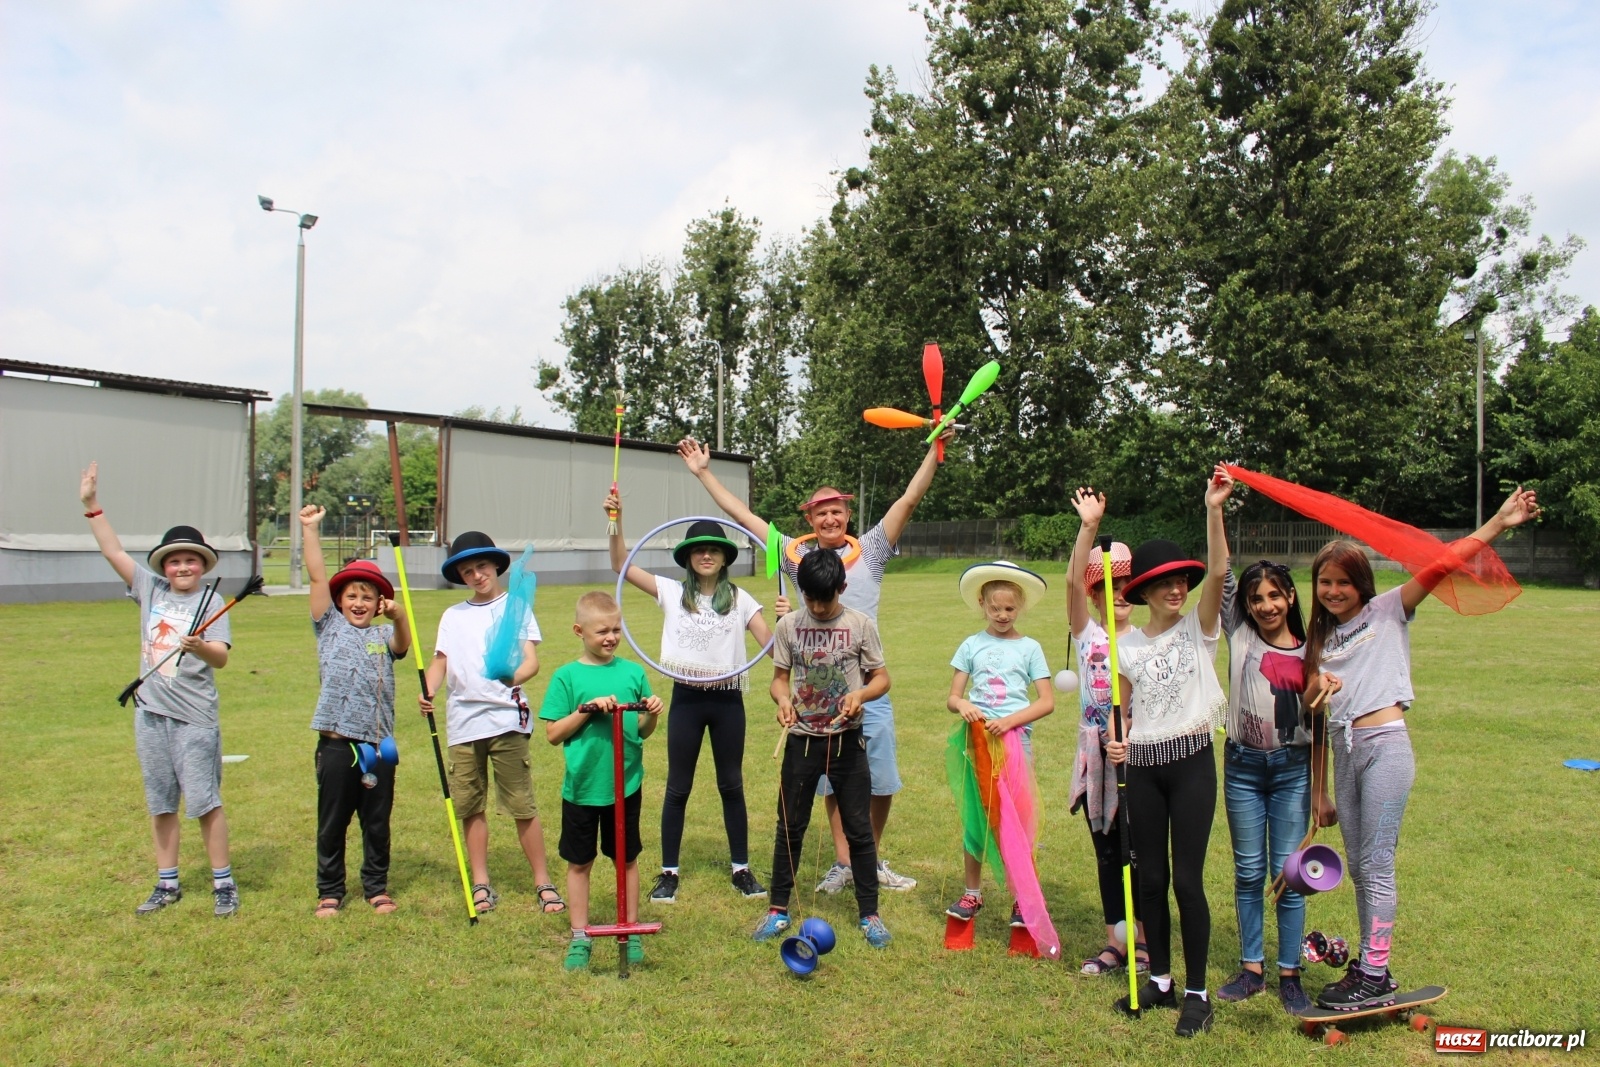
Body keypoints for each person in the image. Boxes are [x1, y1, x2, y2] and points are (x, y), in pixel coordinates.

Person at [678, 433, 951, 894]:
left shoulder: (875, 549)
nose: (829, 517)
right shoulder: (793, 554)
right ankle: (844, 863)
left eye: (837, 510)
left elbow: (909, 497)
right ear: (809, 519)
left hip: (867, 687)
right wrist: (704, 472)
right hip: (813, 693)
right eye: (820, 511)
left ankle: (869, 860)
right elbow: (742, 516)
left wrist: (934, 452)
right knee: (831, 783)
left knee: (880, 781)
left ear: (847, 515)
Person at [1304, 486, 1540, 1010]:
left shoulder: (1390, 609)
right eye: (1325, 582)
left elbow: (1443, 562)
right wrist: (1320, 698)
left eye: (1344, 581)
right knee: (1361, 866)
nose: (1333, 590)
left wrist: (1499, 522)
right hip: (1344, 750)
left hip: (1385, 746)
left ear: (1362, 584)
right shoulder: (1319, 640)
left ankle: (1375, 967)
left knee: (1377, 860)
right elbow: (1312, 712)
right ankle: (1373, 970)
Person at [79, 461, 240, 917]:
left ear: (202, 564)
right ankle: (166, 883)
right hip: (150, 714)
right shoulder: (149, 590)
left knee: (205, 800)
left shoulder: (211, 602)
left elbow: (222, 657)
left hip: (195, 717)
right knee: (161, 801)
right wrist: (92, 506)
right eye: (175, 560)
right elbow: (113, 552)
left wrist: (199, 646)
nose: (183, 566)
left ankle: (222, 882)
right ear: (164, 567)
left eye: (191, 559)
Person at [1106, 464, 1233, 1037]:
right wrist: (1117, 741)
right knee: (1149, 878)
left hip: (1190, 765)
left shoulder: (1198, 629)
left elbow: (1221, 569)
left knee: (1187, 881)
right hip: (1143, 769)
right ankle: (1160, 980)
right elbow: (1123, 711)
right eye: (1165, 583)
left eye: (1181, 581)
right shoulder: (1125, 646)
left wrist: (1213, 508)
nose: (1176, 590)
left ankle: (1199, 993)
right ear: (1144, 592)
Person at [606, 493, 771, 904]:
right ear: (688, 558)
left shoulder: (741, 599)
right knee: (678, 787)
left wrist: (785, 618)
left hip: (728, 699)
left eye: (714, 549)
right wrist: (616, 520)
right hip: (687, 699)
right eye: (699, 550)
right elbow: (619, 564)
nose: (707, 555)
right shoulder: (670, 592)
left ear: (724, 556)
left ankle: (741, 868)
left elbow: (770, 642)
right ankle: (669, 873)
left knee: (731, 784)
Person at [755, 550, 893, 948]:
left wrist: (862, 695)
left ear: (842, 589)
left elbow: (882, 678)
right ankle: (778, 910)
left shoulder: (860, 624)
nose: (816, 607)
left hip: (847, 741)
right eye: (810, 599)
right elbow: (779, 679)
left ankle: (869, 915)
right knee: (789, 827)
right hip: (801, 740)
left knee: (860, 831)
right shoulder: (790, 626)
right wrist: (781, 700)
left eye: (824, 599)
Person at [419, 530, 562, 915]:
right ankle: (481, 882)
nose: (477, 575)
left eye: (482, 566)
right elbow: (440, 661)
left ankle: (543, 881)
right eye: (467, 571)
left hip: (506, 721)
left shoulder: (516, 607)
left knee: (521, 804)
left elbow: (531, 660)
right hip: (463, 725)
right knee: (470, 805)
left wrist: (514, 678)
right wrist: (428, 689)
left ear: (495, 566)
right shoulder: (453, 616)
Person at [1213, 556, 1330, 1013]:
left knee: (1289, 874)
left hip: (1291, 772)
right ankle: (1251, 969)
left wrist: (1320, 791)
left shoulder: (1311, 653)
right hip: (1241, 768)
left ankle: (1290, 974)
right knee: (1247, 872)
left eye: (1274, 596)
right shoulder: (1239, 636)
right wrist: (1215, 506)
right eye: (1256, 598)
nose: (1266, 606)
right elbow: (1221, 572)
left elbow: (1320, 730)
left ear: (1291, 597)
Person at [540, 591, 664, 971]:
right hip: (582, 788)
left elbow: (641, 731)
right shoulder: (566, 676)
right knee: (580, 862)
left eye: (616, 629)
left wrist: (653, 713)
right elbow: (553, 733)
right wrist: (587, 709)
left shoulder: (632, 673)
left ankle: (629, 928)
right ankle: (580, 935)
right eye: (601, 631)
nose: (610, 637)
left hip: (625, 786)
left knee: (625, 858)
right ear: (579, 631)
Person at [300, 505, 411, 917]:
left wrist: (399, 617)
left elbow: (403, 646)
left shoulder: (384, 633)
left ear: (380, 602)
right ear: (339, 601)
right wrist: (311, 530)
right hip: (335, 745)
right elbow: (315, 576)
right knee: (332, 821)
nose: (359, 602)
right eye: (352, 595)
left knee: (377, 821)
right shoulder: (328, 626)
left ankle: (376, 887)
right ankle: (329, 890)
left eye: (368, 596)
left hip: (378, 745)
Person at [943, 561, 1055, 927]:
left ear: (1019, 606)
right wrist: (965, 705)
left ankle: (1025, 897)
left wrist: (1009, 721)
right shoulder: (971, 645)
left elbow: (1045, 701)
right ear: (982, 604)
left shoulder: (1030, 647)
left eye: (1009, 609)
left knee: (1019, 821)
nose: (1002, 615)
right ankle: (972, 893)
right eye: (995, 608)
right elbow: (953, 697)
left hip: (1014, 742)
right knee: (977, 818)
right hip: (976, 743)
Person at [1064, 489, 1147, 976]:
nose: (1119, 594)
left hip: (1137, 757)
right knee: (1107, 852)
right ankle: (1116, 942)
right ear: (1094, 596)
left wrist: (1130, 734)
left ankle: (1145, 942)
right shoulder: (1086, 635)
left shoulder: (1145, 639)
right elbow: (1073, 580)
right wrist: (1089, 528)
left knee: (1137, 855)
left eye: (1126, 585)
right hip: (1095, 757)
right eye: (1108, 587)